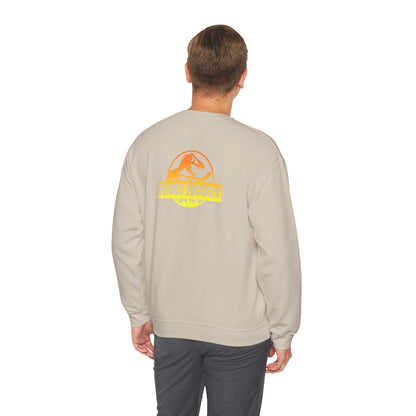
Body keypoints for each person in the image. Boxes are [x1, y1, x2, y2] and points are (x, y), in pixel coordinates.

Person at [111, 24, 302, 416]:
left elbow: (126, 239)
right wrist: (283, 329)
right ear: (243, 77)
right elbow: (277, 251)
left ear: (187, 72)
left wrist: (139, 312)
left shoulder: (147, 145)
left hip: (171, 323)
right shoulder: (260, 152)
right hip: (239, 330)